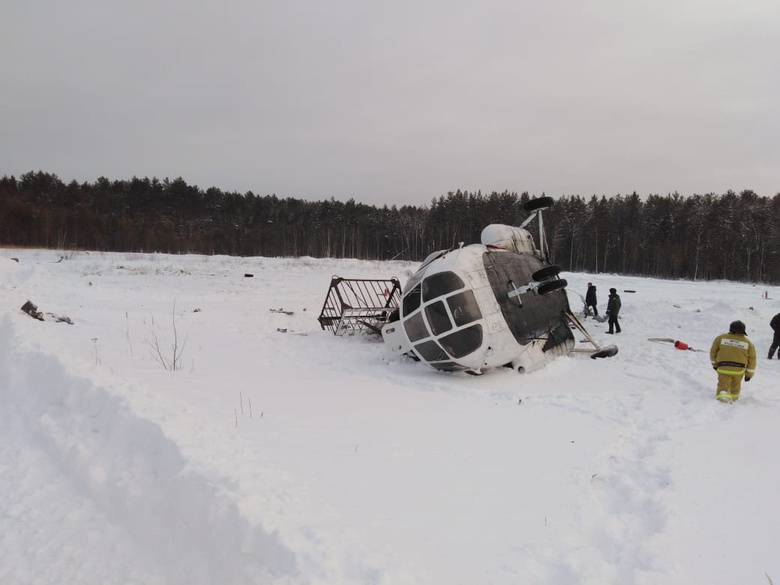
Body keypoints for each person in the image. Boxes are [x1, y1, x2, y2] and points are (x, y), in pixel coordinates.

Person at [710, 320, 756, 403]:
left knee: (723, 385)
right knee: (735, 386)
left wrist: (714, 364)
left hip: (724, 367)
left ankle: (723, 396)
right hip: (739, 370)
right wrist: (749, 374)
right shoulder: (748, 343)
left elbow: (713, 352)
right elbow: (752, 359)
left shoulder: (721, 338)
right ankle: (734, 398)